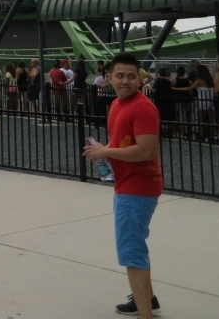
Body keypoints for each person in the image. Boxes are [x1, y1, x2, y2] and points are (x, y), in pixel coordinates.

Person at [83, 53, 163, 318]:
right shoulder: (117, 104)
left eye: (131, 76)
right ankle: (147, 299)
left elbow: (145, 151)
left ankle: (145, 315)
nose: (126, 81)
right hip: (127, 185)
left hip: (138, 189)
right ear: (110, 78)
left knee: (132, 254)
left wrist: (106, 152)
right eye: (120, 75)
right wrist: (105, 151)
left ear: (139, 79)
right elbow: (124, 142)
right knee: (136, 246)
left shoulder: (142, 108)